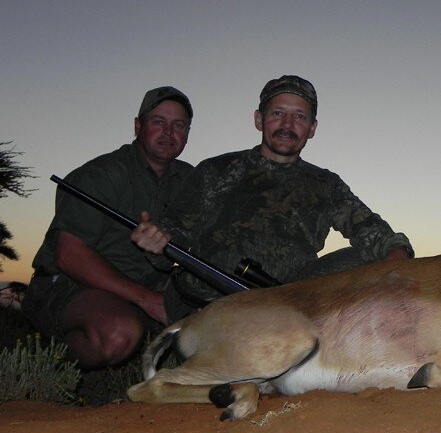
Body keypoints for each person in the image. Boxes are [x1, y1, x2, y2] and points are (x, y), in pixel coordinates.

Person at [133, 75, 413, 321]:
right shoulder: (216, 170)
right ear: (259, 119)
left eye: (300, 116)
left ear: (312, 128)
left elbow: (377, 233)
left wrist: (396, 259)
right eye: (278, 113)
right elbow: (174, 236)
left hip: (292, 299)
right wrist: (156, 243)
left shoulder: (326, 184)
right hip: (212, 298)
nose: (288, 125)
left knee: (370, 256)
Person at [22, 87, 194, 369]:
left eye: (179, 125)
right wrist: (147, 300)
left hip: (146, 286)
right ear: (138, 126)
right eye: (158, 122)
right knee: (118, 334)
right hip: (72, 284)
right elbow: (69, 255)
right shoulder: (102, 174)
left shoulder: (191, 180)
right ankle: (45, 366)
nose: (168, 132)